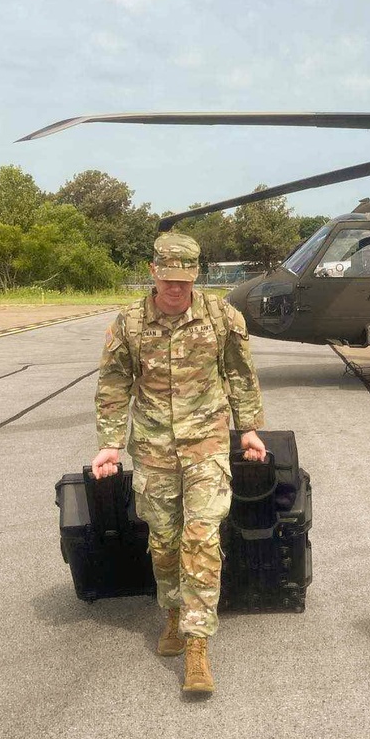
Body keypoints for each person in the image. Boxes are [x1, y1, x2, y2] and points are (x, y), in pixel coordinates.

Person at [91, 232, 266, 697]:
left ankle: (196, 645)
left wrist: (248, 428)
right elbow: (113, 384)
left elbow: (239, 372)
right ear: (153, 273)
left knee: (202, 537)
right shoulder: (128, 324)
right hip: (152, 448)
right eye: (168, 280)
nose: (175, 290)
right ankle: (172, 612)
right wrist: (110, 444)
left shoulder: (220, 316)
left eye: (184, 282)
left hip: (206, 444)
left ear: (195, 276)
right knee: (165, 542)